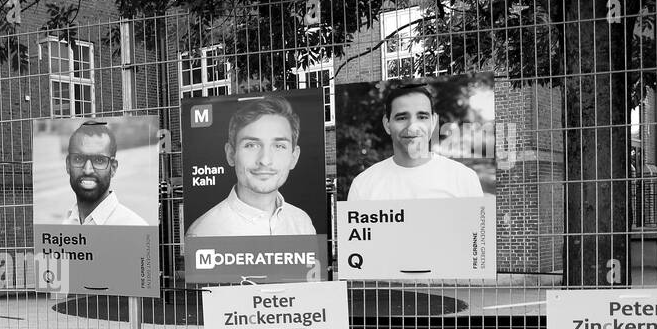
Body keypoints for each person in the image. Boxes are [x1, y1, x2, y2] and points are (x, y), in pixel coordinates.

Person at [187, 96, 318, 237]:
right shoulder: (203, 232)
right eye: (251, 145)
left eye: (279, 146)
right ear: (231, 154)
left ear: (294, 157)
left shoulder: (302, 222)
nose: (265, 160)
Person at [347, 83, 484, 200]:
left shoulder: (465, 179)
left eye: (422, 117)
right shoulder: (363, 186)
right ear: (387, 124)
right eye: (401, 118)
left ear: (433, 121)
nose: (413, 126)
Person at [58, 120, 147, 226]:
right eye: (78, 159)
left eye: (99, 160)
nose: (87, 170)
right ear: (68, 165)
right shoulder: (67, 223)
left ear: (113, 168)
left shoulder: (135, 227)